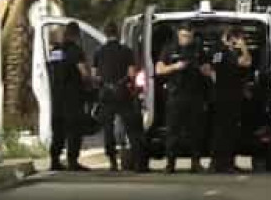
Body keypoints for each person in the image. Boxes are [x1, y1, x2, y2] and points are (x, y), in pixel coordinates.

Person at [156, 23, 211, 174]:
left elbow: (208, 70)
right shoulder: (169, 49)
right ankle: (170, 164)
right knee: (173, 131)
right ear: (178, 34)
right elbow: (159, 69)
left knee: (196, 131)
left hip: (195, 96)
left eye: (189, 36)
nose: (186, 39)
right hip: (176, 95)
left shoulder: (198, 50)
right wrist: (175, 67)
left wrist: (203, 69)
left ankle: (195, 163)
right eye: (184, 36)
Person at [93, 22, 147, 172]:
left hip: (106, 94)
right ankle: (138, 162)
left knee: (108, 129)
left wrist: (103, 84)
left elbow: (95, 75)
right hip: (123, 93)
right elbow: (131, 73)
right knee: (132, 128)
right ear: (117, 33)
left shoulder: (99, 52)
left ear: (105, 33)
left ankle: (112, 162)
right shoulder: (126, 51)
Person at [209, 26, 252, 173]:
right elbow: (245, 62)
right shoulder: (220, 51)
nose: (238, 42)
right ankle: (220, 163)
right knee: (222, 132)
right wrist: (243, 48)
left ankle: (228, 162)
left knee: (231, 131)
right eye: (237, 38)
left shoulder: (229, 51)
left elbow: (246, 63)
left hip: (232, 95)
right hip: (223, 96)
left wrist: (242, 48)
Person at [48, 22, 90, 171]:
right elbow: (83, 72)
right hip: (72, 96)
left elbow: (52, 70)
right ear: (76, 35)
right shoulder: (76, 51)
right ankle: (72, 161)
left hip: (57, 95)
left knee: (58, 129)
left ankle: (54, 160)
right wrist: (88, 81)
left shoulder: (55, 51)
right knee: (74, 129)